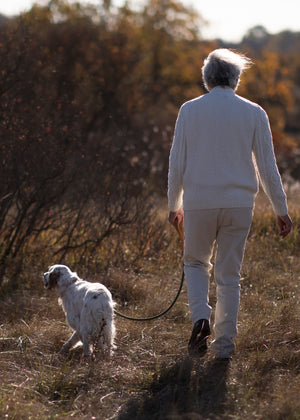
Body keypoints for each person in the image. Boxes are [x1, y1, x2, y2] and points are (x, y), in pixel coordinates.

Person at [167, 48, 292, 360]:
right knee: (229, 276)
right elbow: (267, 168)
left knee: (195, 262)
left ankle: (199, 317)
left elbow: (176, 163)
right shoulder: (254, 113)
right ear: (236, 79)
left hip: (198, 203)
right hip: (239, 206)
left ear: (207, 79)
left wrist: (174, 205)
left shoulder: (189, 110)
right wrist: (281, 210)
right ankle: (224, 349)